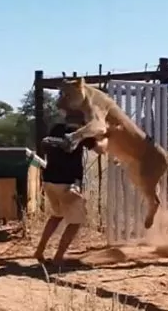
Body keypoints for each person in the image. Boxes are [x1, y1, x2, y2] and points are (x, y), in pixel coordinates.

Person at [33, 111, 108, 266]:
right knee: (75, 222)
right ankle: (58, 258)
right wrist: (106, 137)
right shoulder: (82, 134)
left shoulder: (57, 128)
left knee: (56, 216)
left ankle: (39, 251)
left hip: (49, 181)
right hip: (67, 185)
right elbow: (101, 150)